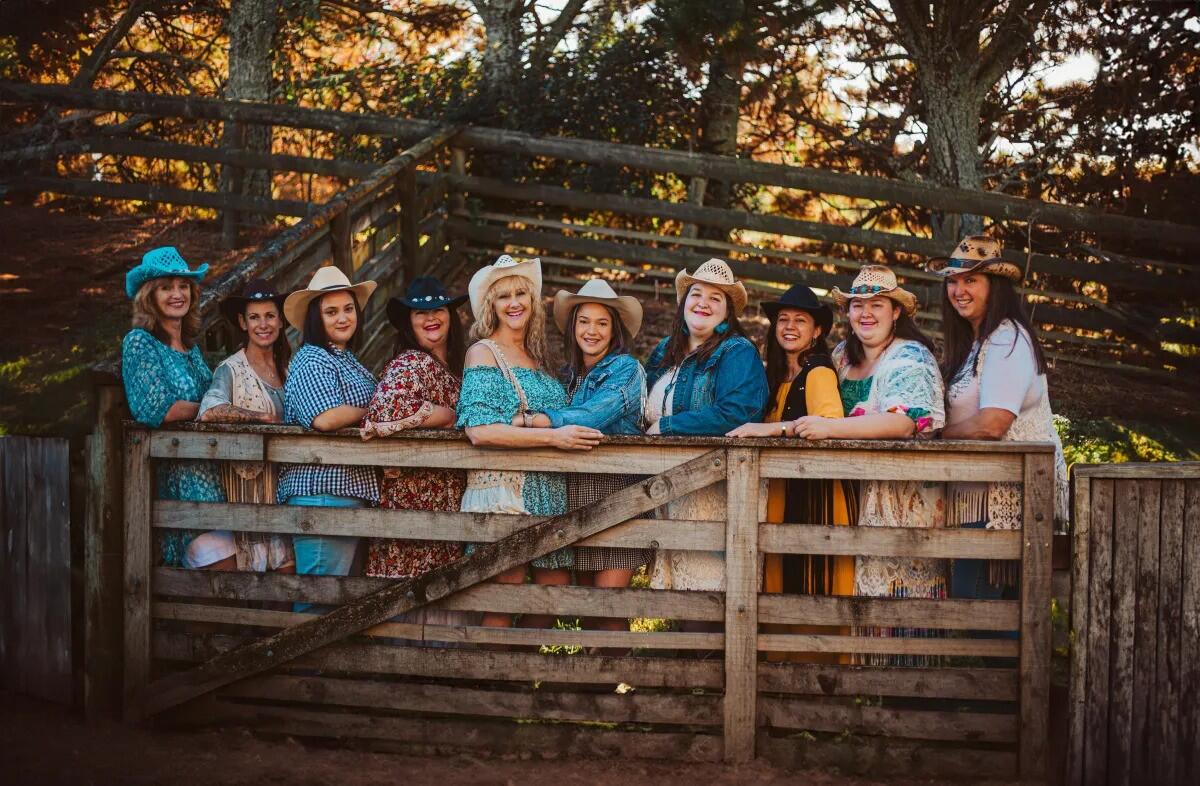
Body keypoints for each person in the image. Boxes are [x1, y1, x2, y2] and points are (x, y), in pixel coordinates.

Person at [791, 264, 946, 666]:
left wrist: (831, 429)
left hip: (899, 498)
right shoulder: (842, 357)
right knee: (851, 601)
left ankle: (906, 695)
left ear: (896, 312)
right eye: (857, 305)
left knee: (898, 597)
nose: (866, 313)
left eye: (877, 305)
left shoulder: (911, 357)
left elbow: (906, 421)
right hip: (849, 497)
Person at [455, 255, 603, 632]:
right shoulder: (483, 352)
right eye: (504, 296)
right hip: (507, 490)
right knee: (504, 599)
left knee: (552, 598)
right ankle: (487, 684)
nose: (515, 302)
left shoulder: (540, 357)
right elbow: (480, 430)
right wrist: (553, 437)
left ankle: (519, 682)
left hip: (548, 490)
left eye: (522, 293)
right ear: (491, 305)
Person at [929, 235, 1069, 601]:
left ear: (996, 286)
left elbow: (993, 424)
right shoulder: (975, 342)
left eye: (970, 280)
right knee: (985, 601)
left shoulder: (1008, 339)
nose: (958, 290)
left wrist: (938, 436)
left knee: (978, 598)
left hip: (1010, 494)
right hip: (981, 489)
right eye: (952, 281)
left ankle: (1018, 661)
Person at [727, 284, 855, 663]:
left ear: (817, 331)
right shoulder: (779, 375)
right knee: (781, 581)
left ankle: (818, 673)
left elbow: (828, 424)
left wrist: (767, 429)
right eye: (783, 319)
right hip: (783, 492)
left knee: (814, 582)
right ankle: (780, 673)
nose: (790, 326)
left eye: (801, 320)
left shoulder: (817, 373)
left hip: (816, 496)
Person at [516, 278, 650, 640]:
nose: (592, 331)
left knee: (608, 609)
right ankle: (588, 690)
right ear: (573, 326)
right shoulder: (567, 376)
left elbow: (592, 417)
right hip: (574, 495)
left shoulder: (625, 370)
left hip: (617, 496)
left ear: (615, 330)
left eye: (602, 323)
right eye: (584, 321)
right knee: (585, 610)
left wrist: (531, 421)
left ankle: (615, 692)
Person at [644, 259, 768, 614]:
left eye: (716, 298)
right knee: (676, 591)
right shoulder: (665, 350)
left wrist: (668, 427)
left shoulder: (736, 351)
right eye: (696, 294)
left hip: (713, 489)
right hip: (667, 485)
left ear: (727, 311)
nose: (703, 303)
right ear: (683, 303)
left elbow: (738, 411)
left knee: (707, 586)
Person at [360, 276, 471, 638]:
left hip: (445, 499)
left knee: (442, 599)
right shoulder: (410, 363)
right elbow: (382, 414)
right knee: (405, 606)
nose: (430, 318)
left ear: (451, 316)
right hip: (410, 498)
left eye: (437, 309)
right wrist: (444, 415)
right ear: (409, 322)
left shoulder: (457, 369)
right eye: (420, 312)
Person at [120, 246, 227, 570]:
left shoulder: (192, 350)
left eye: (183, 286)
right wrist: (216, 410)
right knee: (209, 574)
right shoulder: (139, 342)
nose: (177, 294)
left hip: (214, 476)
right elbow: (158, 408)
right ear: (149, 296)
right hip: (180, 485)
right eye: (166, 287)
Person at [277, 266, 379, 600]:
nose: (342, 318)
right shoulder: (312, 358)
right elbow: (325, 417)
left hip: (346, 489)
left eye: (348, 309)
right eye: (331, 311)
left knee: (337, 606)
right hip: (322, 491)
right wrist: (375, 415)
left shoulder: (347, 359)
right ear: (315, 319)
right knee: (317, 602)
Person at [197, 278, 294, 574]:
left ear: (280, 320)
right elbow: (209, 411)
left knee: (284, 599)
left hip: (286, 499)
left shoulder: (289, 368)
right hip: (246, 497)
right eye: (254, 317)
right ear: (242, 322)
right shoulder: (231, 369)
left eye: (269, 315)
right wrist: (258, 419)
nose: (263, 324)